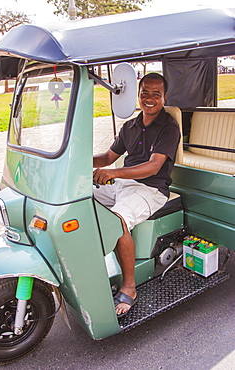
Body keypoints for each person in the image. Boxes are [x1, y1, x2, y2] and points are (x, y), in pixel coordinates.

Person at [93, 73, 180, 317]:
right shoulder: (130, 125)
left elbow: (153, 167)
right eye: (145, 93)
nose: (149, 98)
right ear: (138, 95)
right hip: (123, 184)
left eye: (156, 94)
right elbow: (108, 158)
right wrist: (75, 160)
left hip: (150, 189)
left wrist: (114, 173)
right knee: (81, 195)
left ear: (164, 97)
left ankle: (129, 287)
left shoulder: (169, 127)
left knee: (117, 220)